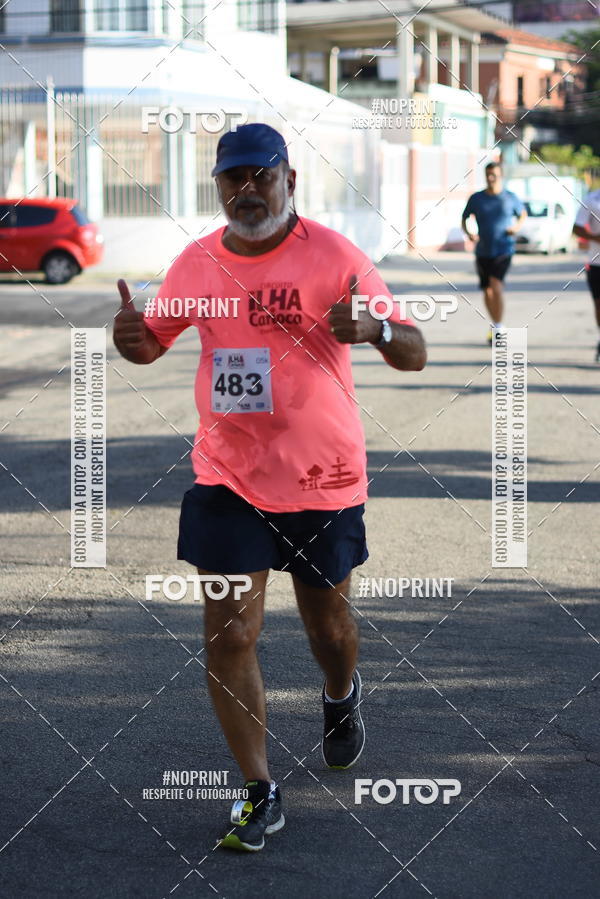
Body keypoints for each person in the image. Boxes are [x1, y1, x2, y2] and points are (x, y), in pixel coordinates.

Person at [113, 123, 426, 852]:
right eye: (233, 178)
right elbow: (153, 339)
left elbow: (414, 348)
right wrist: (134, 338)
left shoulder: (335, 257)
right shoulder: (196, 262)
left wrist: (375, 332)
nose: (246, 189)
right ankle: (258, 790)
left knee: (330, 630)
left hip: (322, 477)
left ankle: (341, 695)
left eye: (261, 175)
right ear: (218, 185)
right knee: (229, 632)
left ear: (290, 180)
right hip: (227, 476)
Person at [462, 161, 527, 345]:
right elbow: (464, 217)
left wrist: (516, 227)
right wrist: (469, 234)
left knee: (496, 286)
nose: (491, 178)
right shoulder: (477, 198)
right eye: (488, 175)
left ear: (501, 176)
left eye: (494, 175)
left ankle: (498, 327)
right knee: (487, 291)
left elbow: (522, 214)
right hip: (483, 251)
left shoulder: (510, 197)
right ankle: (496, 324)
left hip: (503, 249)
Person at [572, 186, 600, 362]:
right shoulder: (592, 200)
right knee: (599, 305)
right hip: (596, 262)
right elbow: (577, 228)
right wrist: (595, 237)